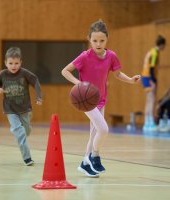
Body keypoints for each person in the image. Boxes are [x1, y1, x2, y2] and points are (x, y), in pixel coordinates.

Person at [61, 20, 141, 177]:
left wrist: (131, 80)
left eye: (102, 40)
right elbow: (65, 71)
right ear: (89, 39)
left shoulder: (111, 56)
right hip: (86, 100)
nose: (98, 44)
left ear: (107, 39)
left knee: (93, 133)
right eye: (95, 40)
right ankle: (94, 155)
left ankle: (85, 163)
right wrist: (79, 84)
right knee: (103, 129)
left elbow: (117, 74)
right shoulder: (84, 56)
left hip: (101, 100)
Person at [0, 47, 42, 166]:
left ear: (21, 62)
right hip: (10, 109)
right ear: (5, 63)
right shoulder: (2, 74)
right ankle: (27, 158)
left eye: (16, 63)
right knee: (20, 132)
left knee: (26, 130)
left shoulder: (25, 73)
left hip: (24, 108)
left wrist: (39, 97)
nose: (13, 66)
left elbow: (35, 81)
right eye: (10, 63)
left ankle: (18, 130)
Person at [141, 35, 166, 132]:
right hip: (148, 77)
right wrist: (153, 80)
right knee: (151, 100)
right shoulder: (155, 53)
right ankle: (150, 122)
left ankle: (147, 123)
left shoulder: (151, 51)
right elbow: (151, 68)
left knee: (149, 100)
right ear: (162, 44)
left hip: (145, 77)